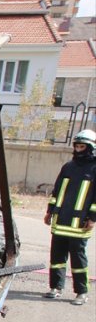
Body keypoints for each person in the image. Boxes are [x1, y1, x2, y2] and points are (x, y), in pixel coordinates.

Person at [43, 129, 96, 306]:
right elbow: (57, 191)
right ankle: (55, 288)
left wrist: (93, 218)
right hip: (61, 222)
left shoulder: (94, 168)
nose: (79, 149)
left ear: (91, 148)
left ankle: (81, 292)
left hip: (79, 224)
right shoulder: (68, 167)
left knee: (78, 259)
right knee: (57, 257)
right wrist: (50, 211)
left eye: (83, 146)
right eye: (77, 146)